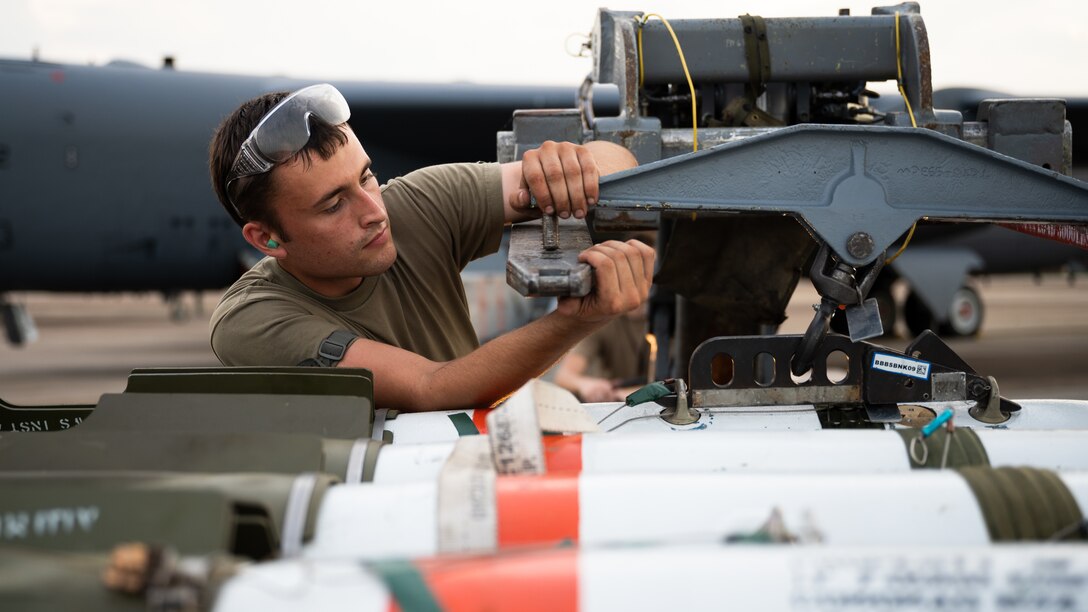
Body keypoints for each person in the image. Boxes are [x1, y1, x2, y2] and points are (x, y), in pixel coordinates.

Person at [207, 84, 653, 412]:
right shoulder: (250, 321)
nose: (373, 211)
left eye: (365, 177)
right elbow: (429, 387)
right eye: (333, 205)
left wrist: (571, 166)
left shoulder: (414, 206)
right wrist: (576, 321)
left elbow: (616, 163)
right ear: (267, 239)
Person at [553, 308, 650, 403]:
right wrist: (586, 385)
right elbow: (564, 376)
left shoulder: (663, 319)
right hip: (613, 403)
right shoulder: (602, 321)